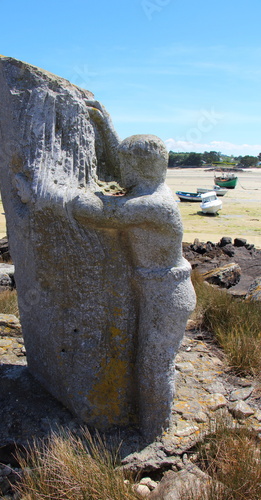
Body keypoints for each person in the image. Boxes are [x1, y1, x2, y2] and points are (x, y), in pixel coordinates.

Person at [71, 134, 196, 439]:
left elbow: (99, 213)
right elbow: (120, 175)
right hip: (160, 291)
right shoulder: (153, 190)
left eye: (125, 163)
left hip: (167, 296)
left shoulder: (154, 205)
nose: (119, 170)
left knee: (154, 364)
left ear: (137, 167)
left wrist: (51, 191)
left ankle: (155, 433)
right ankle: (154, 425)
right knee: (153, 361)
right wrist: (104, 126)